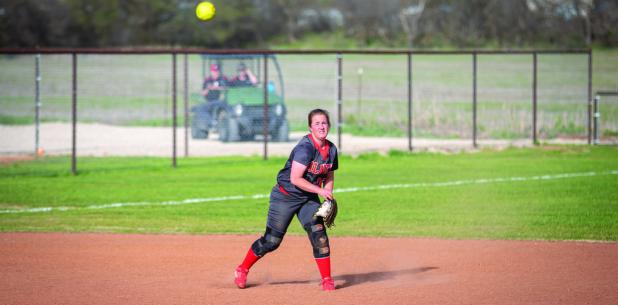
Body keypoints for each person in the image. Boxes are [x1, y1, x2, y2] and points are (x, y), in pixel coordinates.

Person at [234, 109, 339, 291]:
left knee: (318, 232)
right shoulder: (305, 148)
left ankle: (327, 279)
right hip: (285, 196)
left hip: (307, 198)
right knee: (272, 241)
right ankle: (242, 269)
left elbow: (328, 173)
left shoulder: (332, 149)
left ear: (329, 125)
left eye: (324, 123)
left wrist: (327, 193)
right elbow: (295, 179)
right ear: (310, 127)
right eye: (317, 123)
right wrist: (319, 191)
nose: (321, 126)